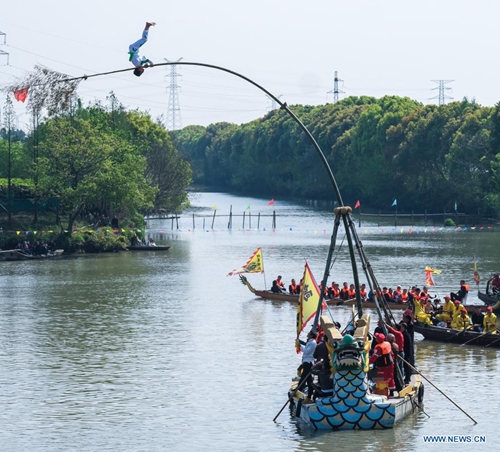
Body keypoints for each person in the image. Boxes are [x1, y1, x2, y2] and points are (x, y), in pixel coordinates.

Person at [369, 333, 395, 397]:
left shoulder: (379, 348)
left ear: (377, 339)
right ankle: (391, 393)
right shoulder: (387, 344)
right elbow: (391, 354)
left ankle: (382, 394)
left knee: (381, 379)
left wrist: (368, 362)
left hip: (383, 366)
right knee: (390, 378)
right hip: (390, 363)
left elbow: (374, 357)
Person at [296, 331, 317, 401]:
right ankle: (310, 393)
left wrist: (300, 346)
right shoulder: (310, 342)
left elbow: (307, 351)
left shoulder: (313, 343)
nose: (307, 334)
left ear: (311, 335)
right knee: (309, 379)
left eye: (308, 334)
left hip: (308, 362)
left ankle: (298, 389)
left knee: (304, 377)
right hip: (306, 361)